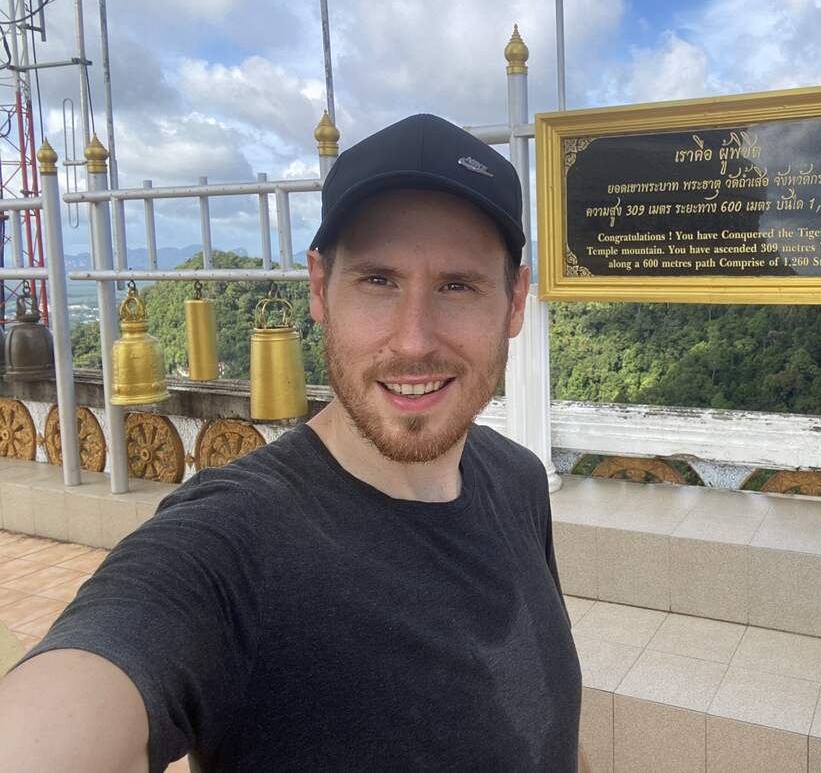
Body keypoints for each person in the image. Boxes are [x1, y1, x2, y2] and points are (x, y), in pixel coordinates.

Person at [0, 114, 582, 772]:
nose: (415, 338)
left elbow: (551, 729)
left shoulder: (519, 481)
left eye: (457, 285)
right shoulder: (231, 544)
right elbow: (66, 711)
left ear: (513, 302)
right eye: (378, 281)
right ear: (319, 288)